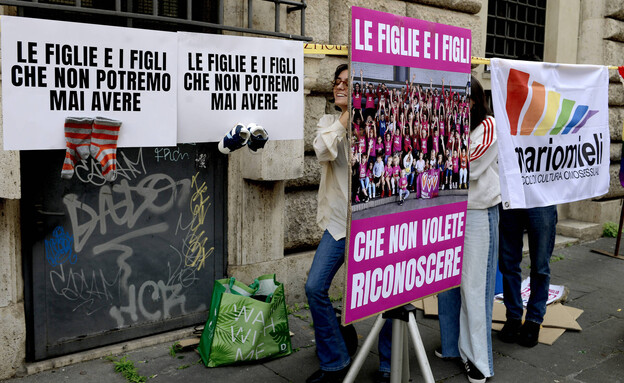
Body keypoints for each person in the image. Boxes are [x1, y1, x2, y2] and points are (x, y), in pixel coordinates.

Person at [306, 64, 392, 383]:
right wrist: (346, 115)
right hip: (340, 224)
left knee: (389, 295)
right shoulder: (329, 122)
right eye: (337, 82)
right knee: (315, 287)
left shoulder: (377, 124)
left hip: (375, 224)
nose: (340, 86)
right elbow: (322, 150)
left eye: (348, 83)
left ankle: (388, 364)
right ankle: (335, 361)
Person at [436, 75, 501, 383]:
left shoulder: (487, 126)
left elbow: (470, 168)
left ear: (474, 100)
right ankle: (454, 348)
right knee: (449, 284)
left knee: (476, 287)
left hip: (477, 213)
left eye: (460, 98)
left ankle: (480, 362)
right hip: (450, 212)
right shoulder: (450, 125)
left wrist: (443, 158)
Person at [497, 53, 558, 349]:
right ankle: (512, 316)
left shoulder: (552, 108)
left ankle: (533, 321)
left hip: (542, 199)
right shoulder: (504, 105)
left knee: (540, 264)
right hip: (510, 196)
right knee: (508, 260)